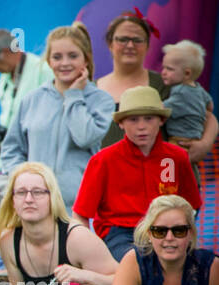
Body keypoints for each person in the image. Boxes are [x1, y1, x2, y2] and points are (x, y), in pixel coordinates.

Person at [72, 86, 201, 261]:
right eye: (133, 119)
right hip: (120, 233)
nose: (142, 126)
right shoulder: (103, 160)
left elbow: (191, 206)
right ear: (121, 123)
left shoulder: (177, 157)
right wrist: (87, 253)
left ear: (161, 120)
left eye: (149, 118)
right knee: (139, 260)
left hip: (167, 231)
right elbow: (80, 214)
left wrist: (186, 238)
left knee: (200, 264)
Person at [0, 24, 113, 211]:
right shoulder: (31, 99)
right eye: (57, 57)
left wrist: (74, 96)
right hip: (34, 206)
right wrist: (24, 181)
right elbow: (11, 149)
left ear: (86, 59)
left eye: (73, 56)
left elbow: (85, 138)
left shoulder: (101, 100)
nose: (64, 63)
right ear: (49, 61)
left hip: (79, 208)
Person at [0, 28, 53, 172]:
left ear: (5, 52)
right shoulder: (4, 78)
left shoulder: (44, 71)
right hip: (9, 158)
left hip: (36, 158)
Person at [95, 9, 165, 149]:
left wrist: (204, 143)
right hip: (105, 170)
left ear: (148, 46)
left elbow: (205, 114)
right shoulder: (91, 90)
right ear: (110, 44)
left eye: (137, 40)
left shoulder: (163, 84)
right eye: (123, 39)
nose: (130, 46)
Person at [160, 40, 212, 183]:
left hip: (179, 141)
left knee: (168, 167)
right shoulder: (199, 89)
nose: (163, 72)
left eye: (169, 69)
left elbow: (162, 109)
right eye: (163, 67)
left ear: (187, 73)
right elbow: (210, 106)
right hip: (194, 139)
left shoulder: (181, 93)